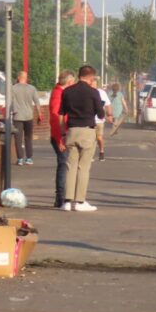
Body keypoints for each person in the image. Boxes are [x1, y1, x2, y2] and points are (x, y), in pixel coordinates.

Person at [59, 66, 108, 211]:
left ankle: (67, 201)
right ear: (90, 77)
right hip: (87, 131)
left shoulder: (67, 91)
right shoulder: (93, 92)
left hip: (71, 131)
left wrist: (63, 134)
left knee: (70, 166)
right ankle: (80, 202)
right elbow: (100, 115)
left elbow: (61, 114)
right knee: (84, 167)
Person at [49, 70, 75, 207]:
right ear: (70, 82)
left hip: (61, 134)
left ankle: (61, 197)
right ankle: (61, 198)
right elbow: (55, 117)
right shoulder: (58, 95)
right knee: (63, 165)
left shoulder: (59, 93)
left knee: (64, 165)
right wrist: (60, 138)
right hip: (60, 136)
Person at [10, 71, 41, 166]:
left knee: (18, 138)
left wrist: (9, 113)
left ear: (19, 77)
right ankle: (29, 158)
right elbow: (37, 102)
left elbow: (9, 102)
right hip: (29, 116)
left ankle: (19, 159)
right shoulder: (32, 88)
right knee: (28, 138)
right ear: (26, 78)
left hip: (17, 116)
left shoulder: (13, 88)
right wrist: (39, 114)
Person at [90, 77, 113, 161]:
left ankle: (101, 151)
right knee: (91, 138)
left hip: (99, 120)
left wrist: (109, 115)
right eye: (91, 83)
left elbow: (107, 105)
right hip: (89, 120)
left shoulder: (101, 93)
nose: (92, 85)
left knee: (99, 137)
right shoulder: (87, 92)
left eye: (94, 84)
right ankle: (90, 155)